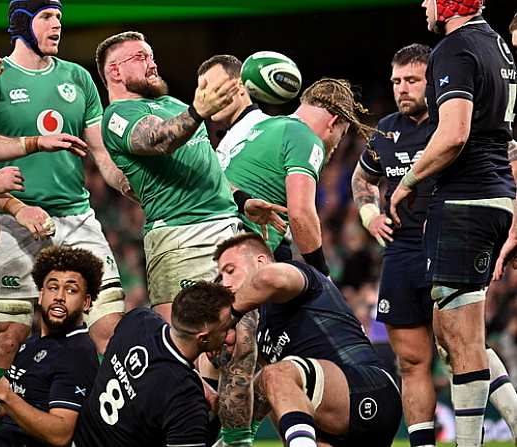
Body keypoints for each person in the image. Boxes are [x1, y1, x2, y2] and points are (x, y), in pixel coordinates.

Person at [0, 0, 131, 380]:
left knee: (110, 330)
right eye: (46, 17)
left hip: (77, 221)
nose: (57, 25)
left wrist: (131, 186)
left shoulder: (77, 78)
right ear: (21, 23)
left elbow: (100, 154)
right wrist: (14, 207)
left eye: (59, 17)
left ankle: (103, 430)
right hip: (14, 224)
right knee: (9, 339)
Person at [390, 1, 517, 445]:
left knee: (462, 340)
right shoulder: (499, 46)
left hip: (466, 199)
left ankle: (469, 442)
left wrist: (408, 180)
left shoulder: (454, 47)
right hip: (493, 195)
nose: (424, 4)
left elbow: (455, 132)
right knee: (452, 331)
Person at [94, 31, 240, 324]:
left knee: (237, 335)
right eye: (140, 57)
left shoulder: (173, 103)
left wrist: (243, 201)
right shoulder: (116, 116)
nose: (152, 63)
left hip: (228, 225)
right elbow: (155, 139)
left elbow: (206, 163)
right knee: (185, 338)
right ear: (115, 70)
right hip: (180, 234)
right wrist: (198, 111)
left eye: (152, 56)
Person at [215, 233, 402, 447]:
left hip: (370, 388)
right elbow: (264, 399)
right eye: (221, 277)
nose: (225, 283)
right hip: (331, 422)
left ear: (261, 261)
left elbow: (268, 279)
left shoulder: (297, 276)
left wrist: (226, 317)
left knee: (275, 375)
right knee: (265, 387)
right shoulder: (259, 327)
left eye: (230, 271)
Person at [350, 42, 438, 447]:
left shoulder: (453, 120)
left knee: (460, 354)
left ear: (432, 80)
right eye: (397, 81)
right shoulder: (385, 130)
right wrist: (369, 215)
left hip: (448, 243)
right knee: (411, 360)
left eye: (412, 80)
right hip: (401, 250)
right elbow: (362, 179)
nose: (402, 88)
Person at [221, 77, 374, 276]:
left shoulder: (264, 126)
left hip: (210, 235)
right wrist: (322, 273)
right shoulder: (306, 138)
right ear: (333, 122)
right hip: (238, 249)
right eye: (342, 134)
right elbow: (300, 213)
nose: (337, 145)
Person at [0, 246, 101, 447]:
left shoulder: (77, 352)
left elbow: (61, 434)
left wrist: (2, 393)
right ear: (40, 296)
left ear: (86, 302)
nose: (59, 296)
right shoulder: (31, 344)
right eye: (53, 287)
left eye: (71, 290)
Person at [74, 281, 237, 447]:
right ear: (203, 338)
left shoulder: (139, 320)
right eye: (225, 328)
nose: (229, 335)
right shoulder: (185, 398)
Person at [197, 54, 292, 264]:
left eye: (213, 87)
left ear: (240, 86)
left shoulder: (275, 128)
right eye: (202, 90)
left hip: (264, 256)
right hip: (234, 256)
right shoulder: (223, 144)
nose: (206, 96)